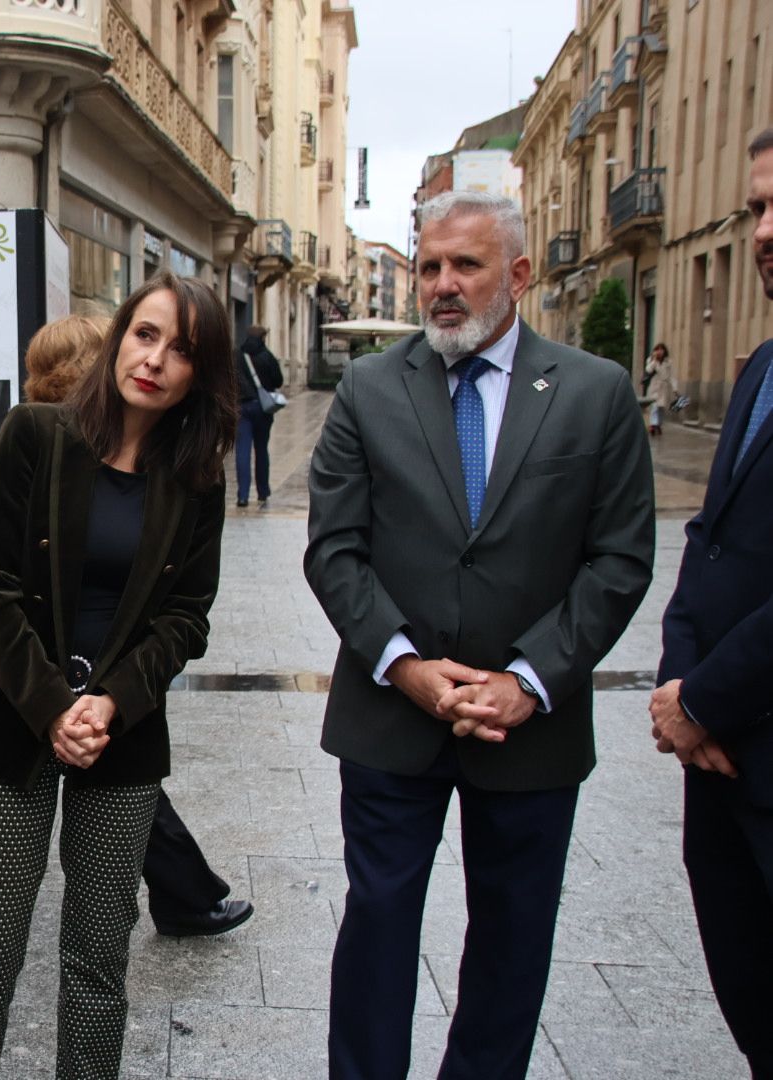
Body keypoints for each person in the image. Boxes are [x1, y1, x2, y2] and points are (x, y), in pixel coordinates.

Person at [304, 189, 654, 1079]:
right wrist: (406, 666)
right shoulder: (370, 388)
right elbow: (335, 551)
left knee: (512, 936)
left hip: (530, 726)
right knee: (378, 925)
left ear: (520, 275)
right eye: (429, 266)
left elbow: (618, 561)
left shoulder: (596, 393)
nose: (442, 285)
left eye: (466, 265)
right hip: (392, 718)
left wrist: (529, 679)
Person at [0, 272, 239, 1080]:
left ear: (200, 378)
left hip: (122, 735)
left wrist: (109, 703)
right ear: (120, 336)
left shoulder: (197, 477)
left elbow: (186, 618)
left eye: (183, 352)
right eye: (146, 335)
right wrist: (52, 709)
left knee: (99, 963)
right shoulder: (36, 433)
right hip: (9, 717)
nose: (156, 361)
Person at [649, 127, 773, 1078]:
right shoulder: (762, 366)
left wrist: (703, 701)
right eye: (758, 207)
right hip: (722, 757)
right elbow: (710, 538)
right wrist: (675, 689)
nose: (763, 230)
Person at [235, 324, 285, 507]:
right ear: (263, 338)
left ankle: (242, 496)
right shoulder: (267, 356)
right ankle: (263, 492)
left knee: (242, 451)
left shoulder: (237, 356)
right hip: (263, 409)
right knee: (261, 450)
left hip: (241, 407)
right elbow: (279, 380)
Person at [644, 343, 677, 435]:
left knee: (661, 408)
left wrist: (675, 388)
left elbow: (671, 376)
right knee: (654, 406)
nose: (659, 351)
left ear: (664, 351)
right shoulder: (650, 360)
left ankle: (658, 424)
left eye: (661, 349)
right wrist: (654, 360)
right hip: (654, 386)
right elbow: (648, 370)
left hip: (664, 387)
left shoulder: (668, 362)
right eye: (657, 349)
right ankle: (653, 425)